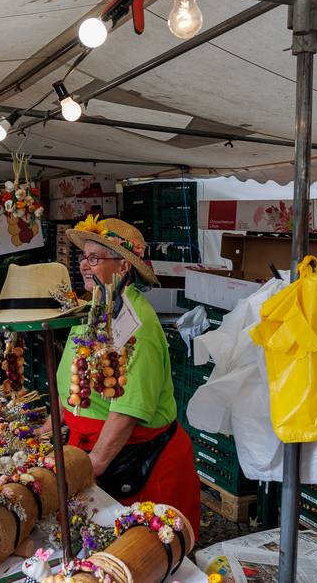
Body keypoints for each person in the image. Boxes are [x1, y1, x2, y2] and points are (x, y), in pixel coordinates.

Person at [40, 216, 201, 537]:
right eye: (83, 257)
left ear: (123, 266)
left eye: (94, 258)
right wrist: (47, 431)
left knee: (140, 549)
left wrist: (93, 465)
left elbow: (128, 410)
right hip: (89, 451)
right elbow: (68, 383)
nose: (84, 265)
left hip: (137, 462)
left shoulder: (136, 321)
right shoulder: (91, 310)